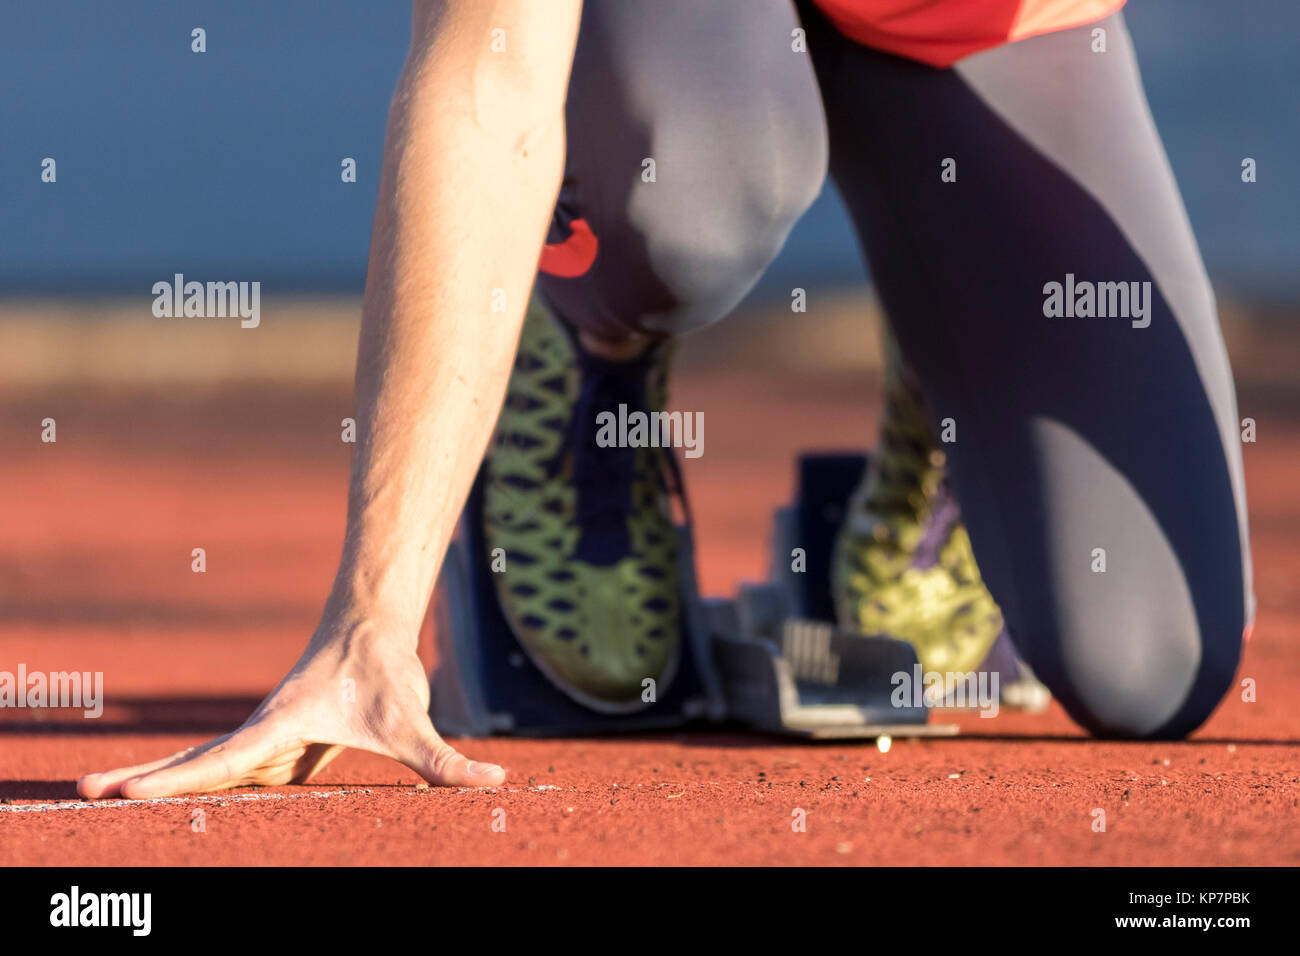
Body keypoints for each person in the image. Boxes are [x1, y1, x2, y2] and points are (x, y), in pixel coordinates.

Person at [79, 0, 1252, 799]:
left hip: (969, 27)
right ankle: (580, 335)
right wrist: (367, 622)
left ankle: (953, 396)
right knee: (686, 197)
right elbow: (491, 81)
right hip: (681, 43)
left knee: (1151, 662)